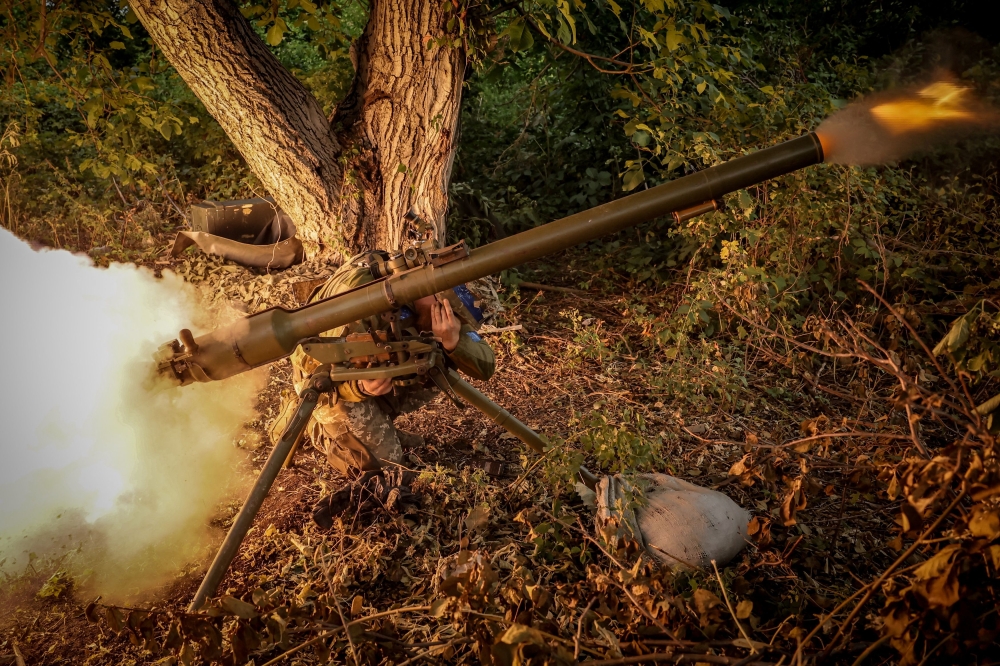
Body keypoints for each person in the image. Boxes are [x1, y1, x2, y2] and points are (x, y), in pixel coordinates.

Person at [280, 253, 496, 525]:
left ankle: (376, 420)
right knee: (390, 469)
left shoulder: (432, 296)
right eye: (448, 313)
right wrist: (358, 387)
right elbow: (308, 362)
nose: (448, 320)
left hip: (369, 376)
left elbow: (485, 365)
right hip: (326, 385)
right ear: (431, 292)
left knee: (439, 360)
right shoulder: (361, 301)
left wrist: (453, 341)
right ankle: (316, 428)